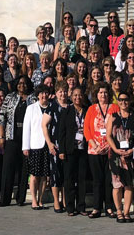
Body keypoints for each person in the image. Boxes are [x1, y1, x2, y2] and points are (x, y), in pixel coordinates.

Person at [84, 82, 119, 218]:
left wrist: (110, 145)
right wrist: (95, 146)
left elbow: (117, 129)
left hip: (110, 149)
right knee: (97, 180)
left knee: (109, 179)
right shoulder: (91, 109)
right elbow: (87, 130)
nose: (103, 95)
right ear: (96, 95)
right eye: (100, 92)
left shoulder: (114, 108)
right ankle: (97, 208)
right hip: (95, 150)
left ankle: (109, 207)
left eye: (105, 92)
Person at [0, 75, 31, 206]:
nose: (22, 85)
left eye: (24, 83)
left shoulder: (32, 98)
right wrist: (1, 136)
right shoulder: (10, 97)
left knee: (24, 169)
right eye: (20, 83)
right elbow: (1, 117)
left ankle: (20, 198)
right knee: (8, 168)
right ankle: (4, 198)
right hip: (11, 136)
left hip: (26, 138)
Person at [107, 92, 134, 222]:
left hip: (130, 155)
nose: (123, 102)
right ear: (117, 102)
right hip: (116, 156)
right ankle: (119, 211)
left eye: (126, 100)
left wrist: (133, 150)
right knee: (117, 185)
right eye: (121, 100)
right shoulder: (112, 117)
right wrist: (115, 150)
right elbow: (108, 135)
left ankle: (126, 212)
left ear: (129, 101)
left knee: (129, 184)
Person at [59, 85, 89, 216]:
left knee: (81, 179)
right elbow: (61, 133)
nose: (78, 97)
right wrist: (61, 150)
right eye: (75, 95)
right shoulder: (66, 111)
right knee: (69, 179)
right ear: (71, 97)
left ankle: (81, 206)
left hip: (83, 149)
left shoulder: (87, 110)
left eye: (80, 95)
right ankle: (70, 207)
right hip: (70, 149)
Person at [22, 85, 53, 209]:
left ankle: (40, 200)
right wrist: (26, 146)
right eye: (42, 93)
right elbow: (27, 128)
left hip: (48, 144)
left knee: (44, 175)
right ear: (38, 95)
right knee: (34, 175)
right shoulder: (31, 108)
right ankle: (34, 200)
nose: (44, 95)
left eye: (46, 93)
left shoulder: (52, 107)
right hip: (35, 145)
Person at [42, 83, 69, 212]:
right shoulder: (52, 106)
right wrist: (49, 143)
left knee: (65, 174)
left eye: (65, 91)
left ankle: (65, 200)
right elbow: (44, 125)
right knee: (55, 174)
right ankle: (56, 202)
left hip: (68, 146)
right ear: (56, 93)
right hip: (55, 146)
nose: (63, 94)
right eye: (60, 92)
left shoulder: (70, 106)